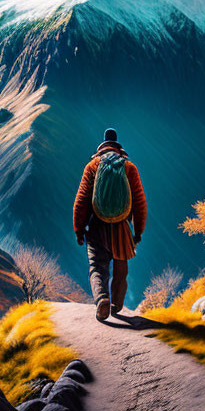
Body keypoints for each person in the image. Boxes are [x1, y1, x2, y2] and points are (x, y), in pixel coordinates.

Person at [73, 128, 147, 321]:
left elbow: (81, 202)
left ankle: (102, 299)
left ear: (102, 147)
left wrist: (79, 230)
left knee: (97, 267)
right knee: (121, 269)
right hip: (122, 227)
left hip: (96, 226)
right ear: (117, 147)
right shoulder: (129, 168)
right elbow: (139, 203)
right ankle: (117, 304)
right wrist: (137, 232)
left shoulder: (92, 166)